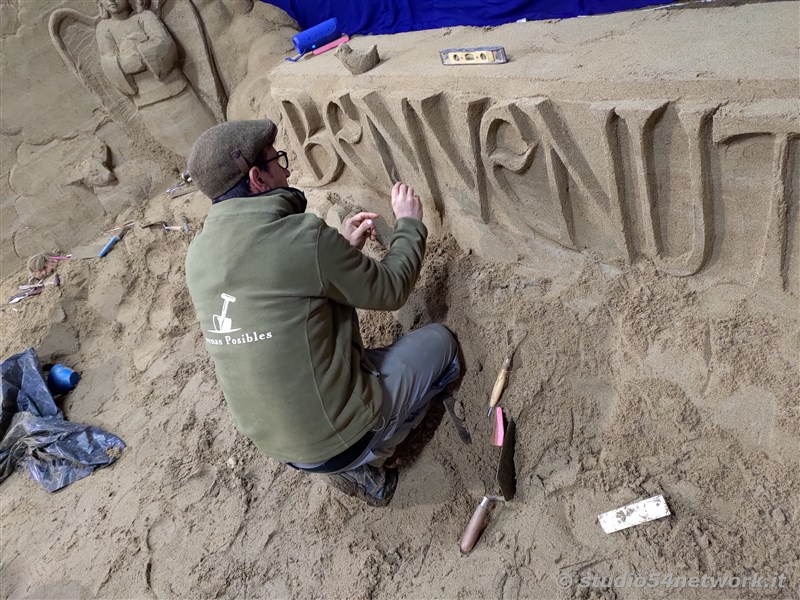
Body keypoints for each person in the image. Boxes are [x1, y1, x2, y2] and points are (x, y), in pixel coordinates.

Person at [185, 119, 460, 506]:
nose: (287, 168)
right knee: (441, 344)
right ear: (256, 179)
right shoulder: (302, 238)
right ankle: (367, 456)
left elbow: (281, 293)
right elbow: (392, 289)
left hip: (278, 444)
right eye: (277, 160)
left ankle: (339, 454)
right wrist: (410, 225)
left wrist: (341, 251)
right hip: (339, 437)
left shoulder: (197, 255)